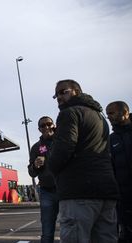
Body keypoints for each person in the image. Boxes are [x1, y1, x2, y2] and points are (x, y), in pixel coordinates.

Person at [47, 79, 119, 243]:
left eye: (63, 92)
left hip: (78, 192)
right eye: (56, 94)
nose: (59, 97)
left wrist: (52, 167)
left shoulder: (69, 113)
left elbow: (63, 150)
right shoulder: (100, 117)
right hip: (106, 191)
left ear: (76, 92)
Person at [28, 116, 59, 243]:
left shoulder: (63, 141)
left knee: (71, 226)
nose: (46, 127)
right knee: (47, 230)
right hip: (47, 191)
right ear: (39, 129)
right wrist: (35, 165)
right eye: (42, 125)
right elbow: (31, 172)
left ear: (54, 125)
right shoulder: (37, 147)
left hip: (66, 189)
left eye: (48, 124)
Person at [106, 101, 132, 243]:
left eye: (112, 112)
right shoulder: (111, 139)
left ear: (125, 113)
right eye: (107, 113)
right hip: (123, 197)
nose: (108, 116)